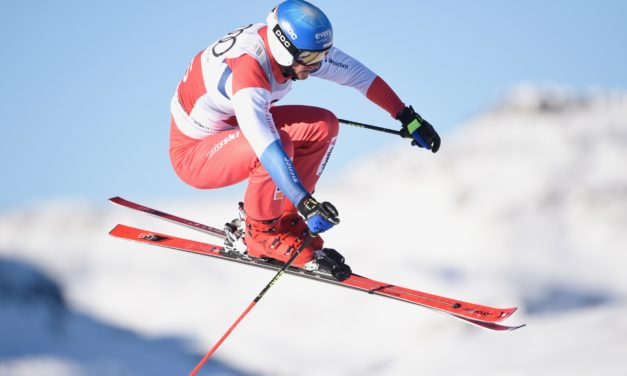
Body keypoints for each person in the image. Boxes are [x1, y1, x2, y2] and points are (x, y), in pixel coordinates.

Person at [169, 0, 441, 280]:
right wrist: (305, 201)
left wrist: (406, 116)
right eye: (311, 59)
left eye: (322, 55)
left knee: (324, 126)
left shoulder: (296, 52)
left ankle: (284, 220)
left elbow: (359, 76)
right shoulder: (250, 71)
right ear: (282, 48)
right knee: (280, 144)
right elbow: (267, 147)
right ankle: (261, 233)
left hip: (234, 131)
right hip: (196, 154)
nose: (317, 65)